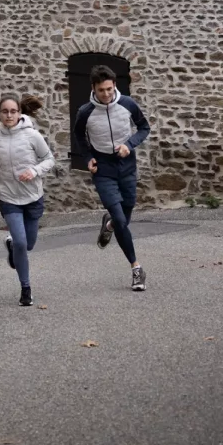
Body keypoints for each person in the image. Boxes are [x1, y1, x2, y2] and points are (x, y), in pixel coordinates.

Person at [74, 64, 151, 291]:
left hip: (126, 164)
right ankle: (136, 269)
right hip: (103, 168)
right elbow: (79, 135)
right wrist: (87, 157)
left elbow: (144, 128)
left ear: (114, 85)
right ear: (93, 89)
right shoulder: (85, 112)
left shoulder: (127, 104)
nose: (106, 94)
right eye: (101, 90)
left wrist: (129, 145)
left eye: (109, 89)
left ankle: (108, 224)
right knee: (120, 217)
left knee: (125, 213)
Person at [0, 93, 55, 306]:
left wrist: (34, 171)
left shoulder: (32, 135)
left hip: (33, 196)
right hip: (8, 197)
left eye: (13, 111)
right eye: (5, 111)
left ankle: (13, 246)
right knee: (22, 242)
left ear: (19, 113)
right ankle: (26, 289)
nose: (9, 115)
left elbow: (49, 159)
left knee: (29, 244)